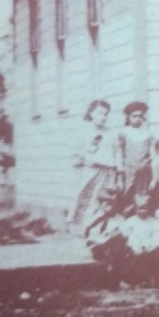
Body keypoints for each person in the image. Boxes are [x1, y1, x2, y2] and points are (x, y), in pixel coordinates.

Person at [71, 99, 117, 231]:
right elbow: (76, 153)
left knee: (102, 200)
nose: (103, 117)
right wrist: (83, 162)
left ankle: (97, 229)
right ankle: (85, 228)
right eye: (99, 113)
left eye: (105, 114)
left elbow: (113, 152)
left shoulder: (110, 133)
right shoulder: (83, 131)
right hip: (89, 172)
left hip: (106, 173)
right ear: (91, 113)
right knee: (87, 199)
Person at [115, 101, 157, 209]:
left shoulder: (148, 134)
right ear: (128, 117)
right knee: (127, 200)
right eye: (134, 116)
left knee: (143, 201)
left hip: (144, 175)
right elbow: (119, 154)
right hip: (128, 174)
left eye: (140, 116)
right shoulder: (123, 133)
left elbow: (153, 156)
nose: (137, 119)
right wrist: (120, 175)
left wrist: (154, 177)